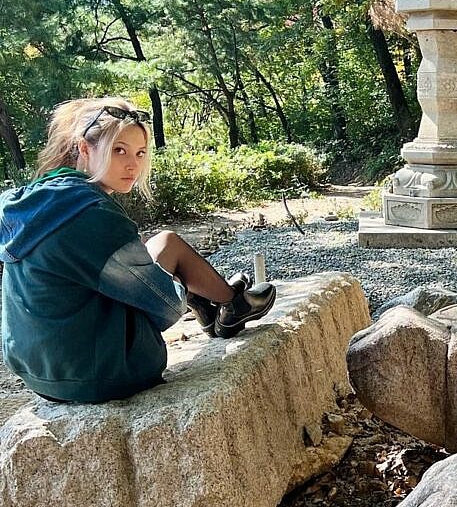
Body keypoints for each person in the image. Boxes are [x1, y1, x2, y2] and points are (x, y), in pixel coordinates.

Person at [0, 97, 276, 404]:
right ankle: (230, 305)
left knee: (164, 243)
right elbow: (167, 307)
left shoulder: (33, 202)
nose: (133, 164)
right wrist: (181, 286)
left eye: (140, 153)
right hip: (102, 373)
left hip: (37, 376)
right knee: (169, 249)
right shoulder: (91, 214)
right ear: (84, 149)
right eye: (119, 150)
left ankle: (220, 305)